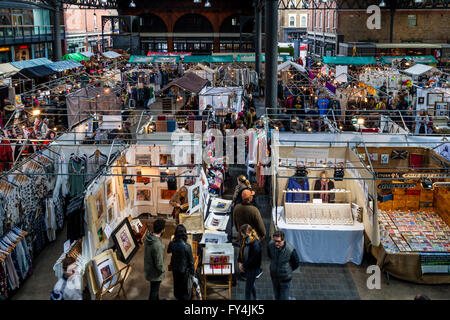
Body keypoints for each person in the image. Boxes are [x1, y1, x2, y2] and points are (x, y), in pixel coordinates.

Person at [267, 230, 300, 300]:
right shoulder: (270, 245)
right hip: (274, 277)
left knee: (284, 297)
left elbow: (296, 263)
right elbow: (270, 255)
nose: (276, 243)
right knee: (277, 296)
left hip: (285, 279)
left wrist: (287, 270)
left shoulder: (290, 250)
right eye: (275, 241)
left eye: (278, 241)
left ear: (283, 240)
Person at [167, 224, 195, 301]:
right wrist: (193, 273)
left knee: (176, 285)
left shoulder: (172, 244)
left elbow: (168, 251)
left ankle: (178, 297)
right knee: (185, 288)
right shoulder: (187, 246)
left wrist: (172, 240)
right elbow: (191, 261)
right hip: (184, 270)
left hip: (175, 269)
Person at [238, 224, 262, 300]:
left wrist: (243, 265)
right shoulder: (245, 239)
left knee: (248, 288)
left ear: (246, 233)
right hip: (247, 266)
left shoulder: (255, 244)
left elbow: (254, 259)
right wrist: (239, 262)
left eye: (242, 233)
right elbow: (241, 251)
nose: (241, 235)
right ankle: (255, 298)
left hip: (252, 268)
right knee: (251, 283)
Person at [144, 218, 166, 300]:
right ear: (162, 230)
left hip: (149, 268)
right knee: (154, 291)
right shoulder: (157, 245)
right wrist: (162, 271)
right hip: (155, 273)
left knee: (154, 288)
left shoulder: (149, 237)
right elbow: (159, 263)